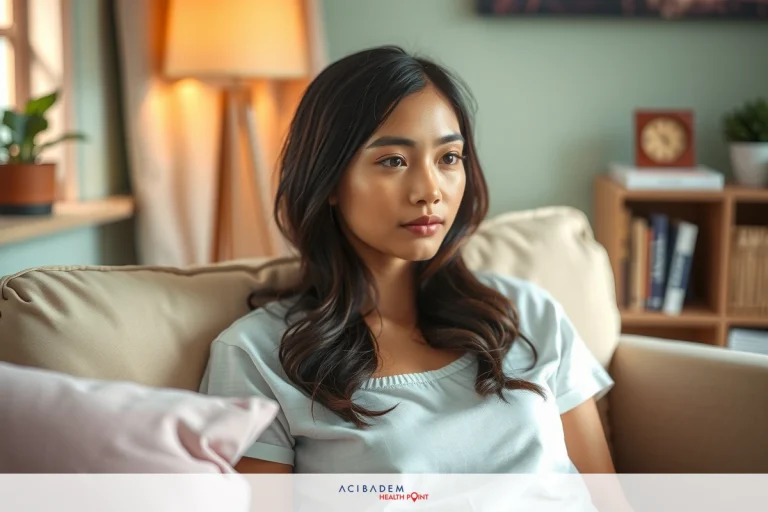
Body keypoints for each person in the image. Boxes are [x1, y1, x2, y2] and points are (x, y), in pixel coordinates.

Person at [199, 45, 615, 475]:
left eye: (448, 158)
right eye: (393, 160)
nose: (429, 190)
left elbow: (607, 499)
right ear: (329, 181)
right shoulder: (258, 355)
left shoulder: (529, 315)